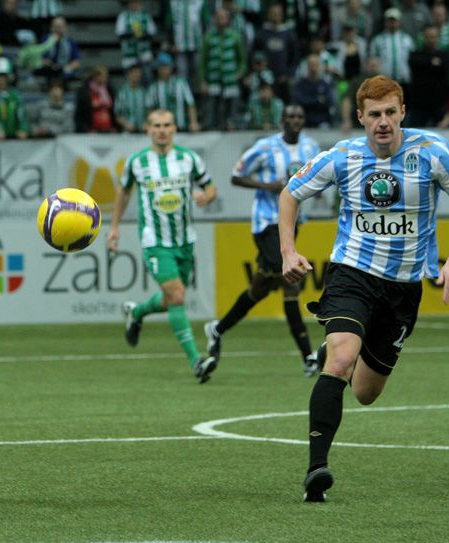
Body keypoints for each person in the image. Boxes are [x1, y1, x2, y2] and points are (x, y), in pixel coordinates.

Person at [278, 75, 449, 502]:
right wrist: (288, 251)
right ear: (360, 117)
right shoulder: (343, 156)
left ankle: (334, 349)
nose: (383, 122)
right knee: (341, 360)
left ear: (403, 112)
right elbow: (290, 194)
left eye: (391, 112)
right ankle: (317, 470)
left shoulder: (431, 152)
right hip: (352, 274)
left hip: (404, 289)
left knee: (366, 392)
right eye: (374, 115)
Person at [205, 103, 320, 376]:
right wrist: (269, 186)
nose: (295, 120)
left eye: (299, 116)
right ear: (282, 120)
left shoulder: (311, 148)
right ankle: (308, 357)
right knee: (292, 281)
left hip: (292, 223)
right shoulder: (266, 147)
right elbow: (237, 176)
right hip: (267, 222)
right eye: (290, 116)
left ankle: (218, 329)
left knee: (261, 288)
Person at [107, 108, 218, 384]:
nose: (162, 130)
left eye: (167, 125)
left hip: (184, 241)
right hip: (155, 242)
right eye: (156, 125)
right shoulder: (137, 162)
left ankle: (137, 312)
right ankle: (196, 361)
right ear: (147, 129)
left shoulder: (188, 159)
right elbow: (123, 193)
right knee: (178, 296)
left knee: (171, 299)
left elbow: (211, 186)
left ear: (174, 129)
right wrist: (114, 227)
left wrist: (207, 196)